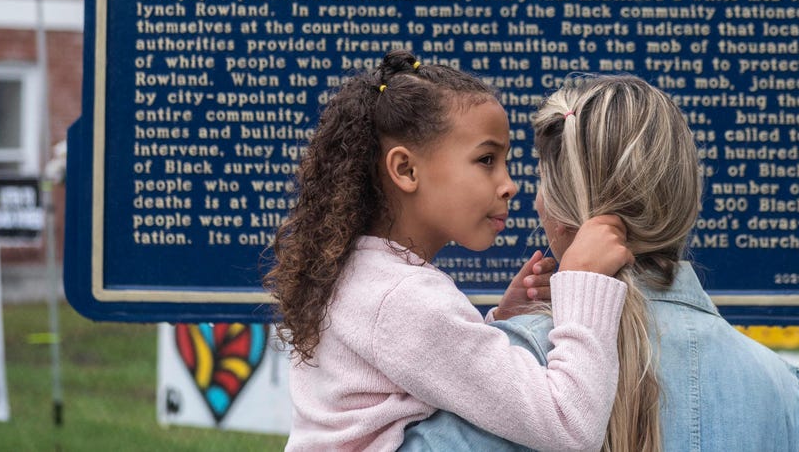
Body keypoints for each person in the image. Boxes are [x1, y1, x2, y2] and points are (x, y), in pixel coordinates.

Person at [401, 74, 799, 452]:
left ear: (566, 210)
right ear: (684, 194)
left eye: (542, 181)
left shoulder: (515, 374)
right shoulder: (785, 392)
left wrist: (507, 334)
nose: (531, 198)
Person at [263, 50, 636, 451]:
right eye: (486, 159)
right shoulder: (404, 300)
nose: (509, 185)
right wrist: (584, 281)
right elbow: (570, 425)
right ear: (406, 170)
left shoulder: (365, 275)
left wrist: (500, 322)